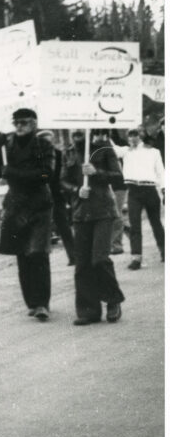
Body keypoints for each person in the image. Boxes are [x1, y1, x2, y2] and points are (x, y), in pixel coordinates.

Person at [0, 108, 56, 321]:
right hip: (16, 206)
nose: (19, 126)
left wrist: (14, 173)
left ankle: (43, 303)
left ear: (35, 123)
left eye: (24, 122)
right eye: (16, 122)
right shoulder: (8, 145)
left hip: (39, 206)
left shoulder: (43, 145)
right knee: (22, 255)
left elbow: (46, 174)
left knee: (37, 253)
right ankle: (32, 302)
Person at [61, 129, 126, 325]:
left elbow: (118, 177)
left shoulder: (104, 149)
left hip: (103, 212)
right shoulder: (69, 152)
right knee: (82, 265)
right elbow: (62, 181)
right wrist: (75, 190)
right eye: (74, 129)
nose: (77, 132)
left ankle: (113, 300)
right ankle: (88, 311)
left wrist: (96, 173)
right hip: (80, 214)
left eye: (81, 128)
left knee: (99, 259)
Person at [122, 128, 165, 269]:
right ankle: (136, 258)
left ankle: (165, 251)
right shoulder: (125, 152)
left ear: (142, 137)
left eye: (136, 135)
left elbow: (161, 172)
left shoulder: (154, 152)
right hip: (133, 190)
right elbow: (108, 146)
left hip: (150, 189)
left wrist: (164, 190)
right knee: (135, 225)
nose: (133, 138)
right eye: (131, 136)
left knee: (156, 223)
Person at [38, 129, 76, 266]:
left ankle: (73, 256)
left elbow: (61, 174)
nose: (48, 143)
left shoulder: (59, 154)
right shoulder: (36, 157)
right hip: (41, 196)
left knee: (63, 226)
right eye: (44, 141)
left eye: (49, 140)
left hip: (56, 193)